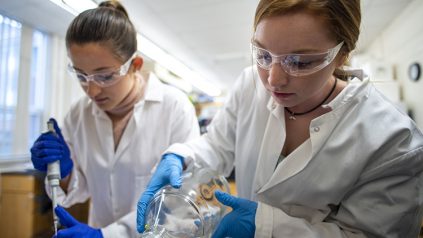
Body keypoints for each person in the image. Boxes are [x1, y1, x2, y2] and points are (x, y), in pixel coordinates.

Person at [136, 0, 423, 237]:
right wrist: (181, 156)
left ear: (342, 55)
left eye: (299, 62)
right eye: (263, 54)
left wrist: (267, 228)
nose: (273, 80)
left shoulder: (394, 141)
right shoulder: (250, 84)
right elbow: (217, 146)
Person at [30, 1, 200, 237]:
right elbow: (78, 192)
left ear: (135, 66)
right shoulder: (79, 114)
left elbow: (179, 200)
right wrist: (65, 173)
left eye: (105, 76)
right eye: (81, 75)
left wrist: (107, 235)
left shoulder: (174, 108)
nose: (91, 91)